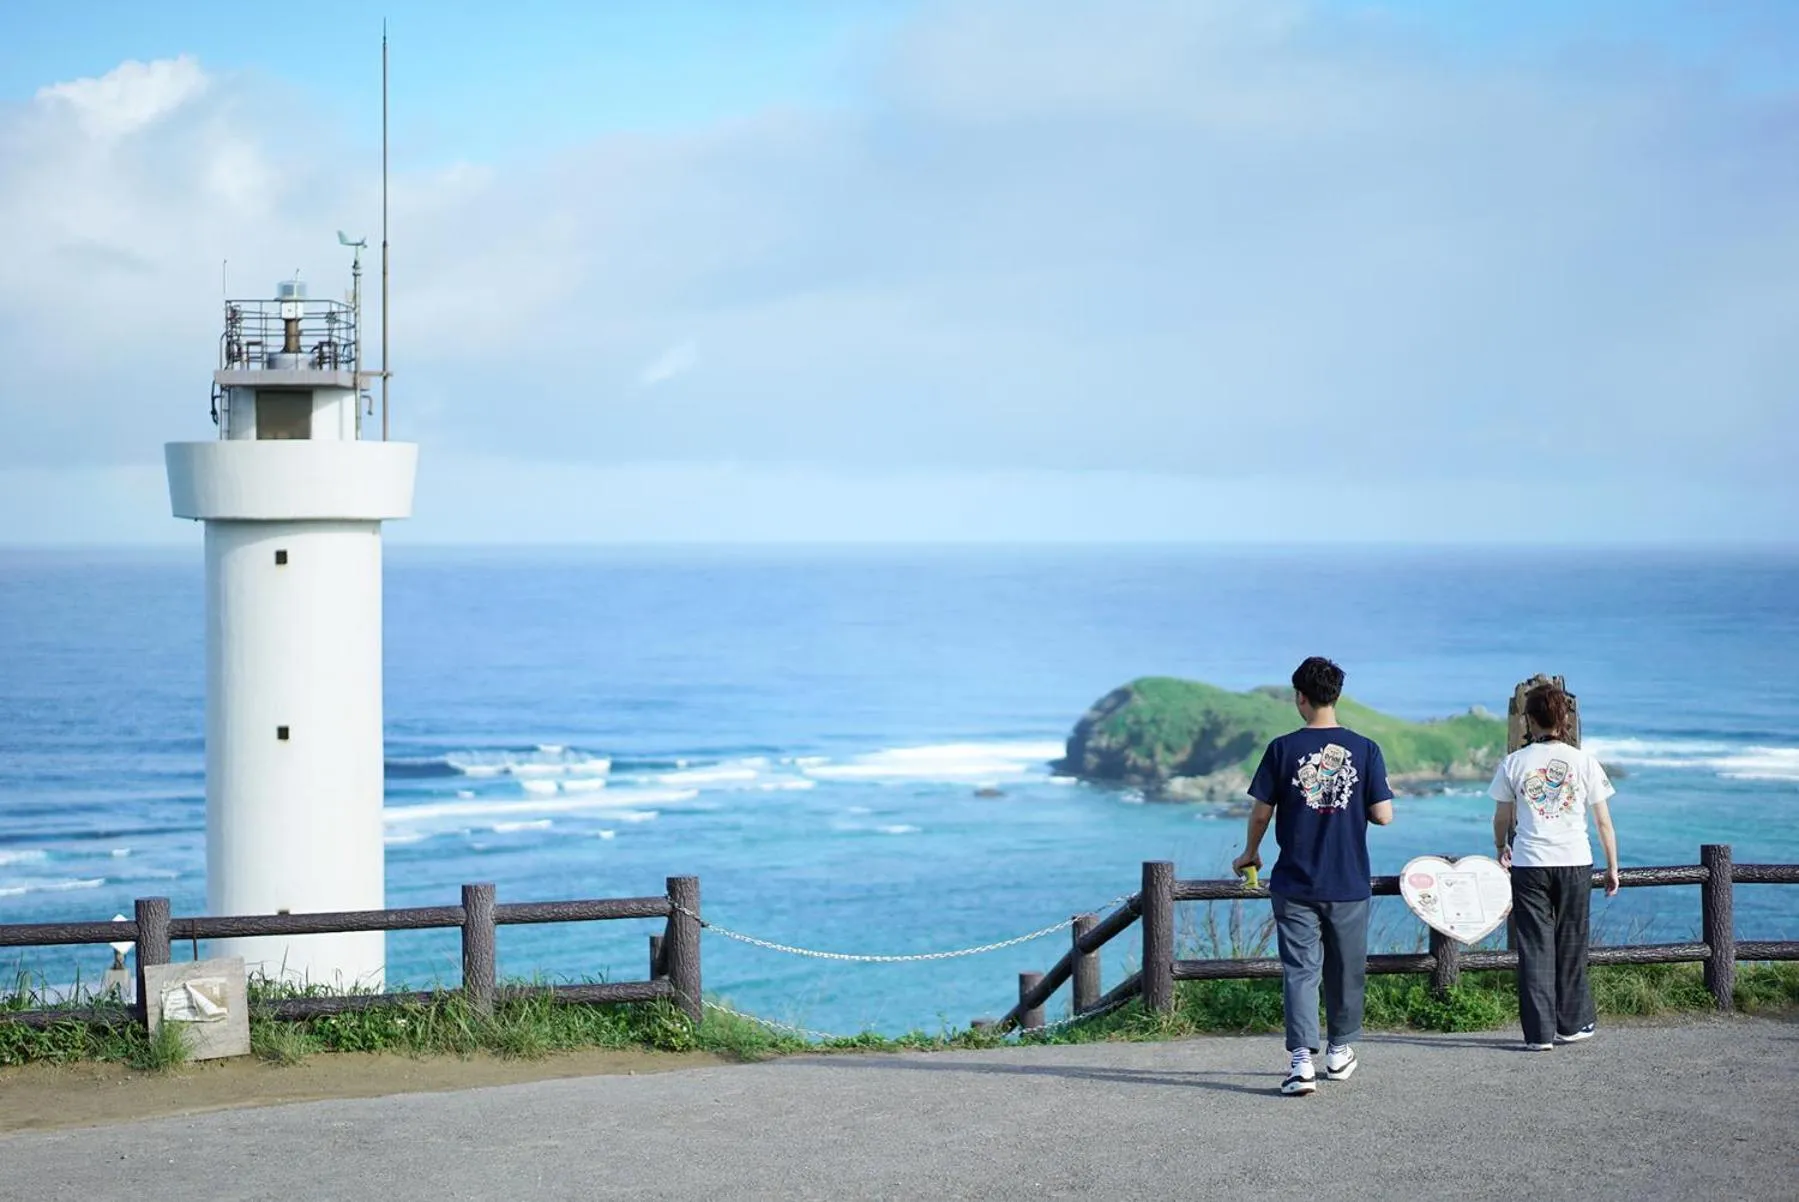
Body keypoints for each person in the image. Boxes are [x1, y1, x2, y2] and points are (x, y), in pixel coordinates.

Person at [1233, 656, 1394, 1096]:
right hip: (1348, 880)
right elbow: (1384, 815)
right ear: (1335, 695)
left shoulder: (1282, 749)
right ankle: (1339, 1052)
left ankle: (1302, 1062)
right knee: (1345, 969)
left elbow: (1262, 812)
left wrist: (1250, 853)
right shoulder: (1366, 749)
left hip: (1296, 881)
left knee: (1301, 971)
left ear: (1300, 698)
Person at [1491, 680, 1620, 1050]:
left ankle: (1538, 1034)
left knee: (1533, 947)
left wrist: (1501, 846)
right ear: (1563, 718)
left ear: (1529, 720)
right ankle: (1572, 1025)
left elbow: (1502, 818)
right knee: (1572, 942)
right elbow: (1604, 822)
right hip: (1576, 860)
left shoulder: (1514, 763)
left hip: (1529, 863)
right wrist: (1613, 866)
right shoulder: (1584, 762)